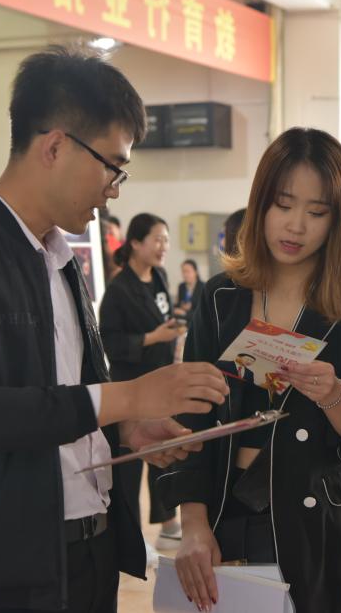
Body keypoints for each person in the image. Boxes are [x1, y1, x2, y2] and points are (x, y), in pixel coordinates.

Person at [0, 46, 229, 613]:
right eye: (112, 165)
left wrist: (125, 428)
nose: (115, 188)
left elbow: (61, 393)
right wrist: (130, 395)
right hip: (0, 564)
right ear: (54, 147)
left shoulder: (61, 259)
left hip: (90, 547)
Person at [159, 127, 341, 613]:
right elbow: (191, 420)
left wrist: (333, 395)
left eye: (317, 212)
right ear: (261, 203)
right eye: (283, 205)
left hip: (316, 526)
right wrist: (193, 524)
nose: (296, 226)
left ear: (339, 220)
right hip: (225, 513)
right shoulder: (221, 297)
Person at [99, 213, 184, 551]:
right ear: (135, 243)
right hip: (132, 387)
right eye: (157, 239)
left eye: (167, 240)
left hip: (162, 382)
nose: (164, 247)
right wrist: (152, 338)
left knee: (164, 454)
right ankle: (132, 538)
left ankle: (168, 524)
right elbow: (110, 343)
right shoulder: (119, 290)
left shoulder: (160, 276)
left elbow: (165, 318)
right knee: (131, 469)